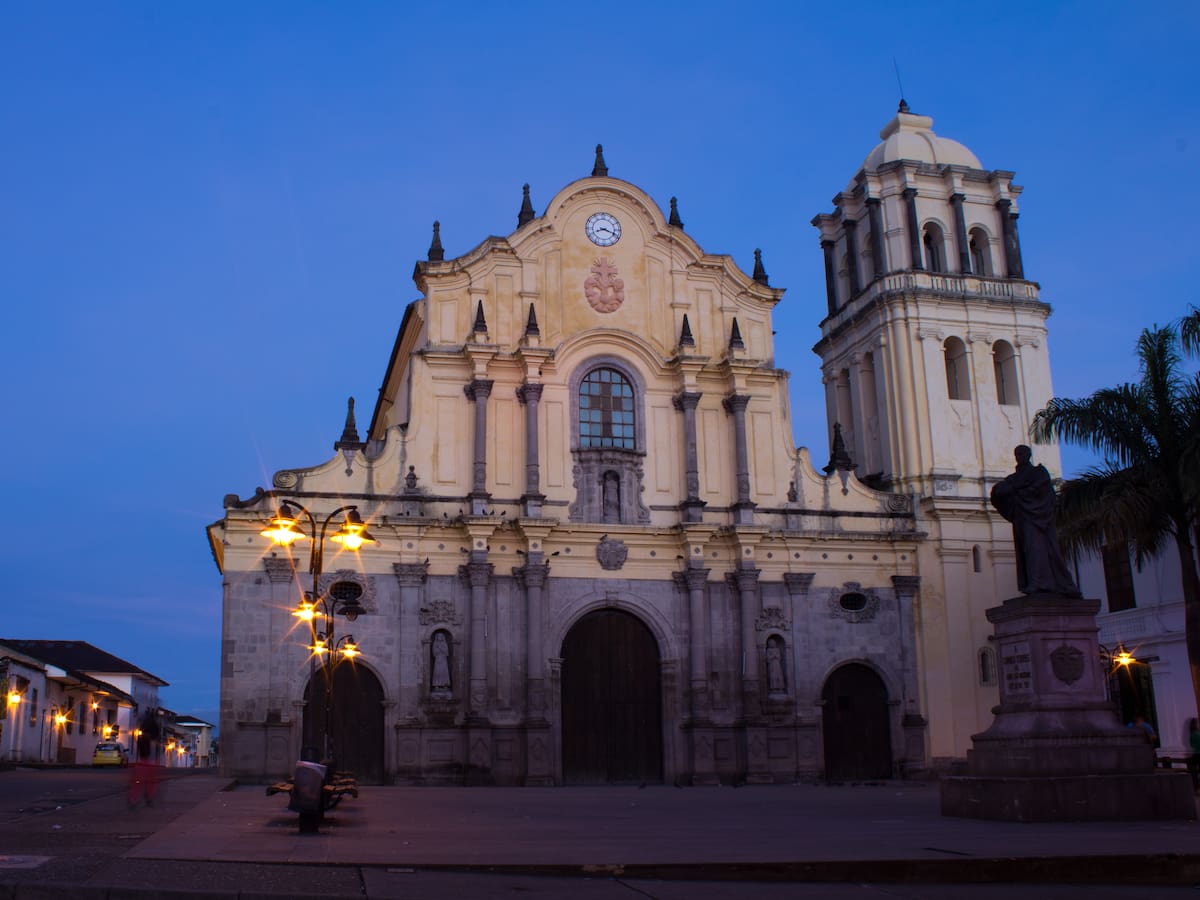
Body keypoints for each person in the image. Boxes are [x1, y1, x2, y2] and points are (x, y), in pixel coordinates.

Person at [989, 445, 1081, 597]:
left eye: (1023, 453)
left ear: (1029, 455)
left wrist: (1019, 491)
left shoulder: (1038, 473)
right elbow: (998, 492)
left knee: (1039, 549)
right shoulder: (1014, 478)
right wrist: (1017, 489)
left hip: (1039, 519)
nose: (1020, 456)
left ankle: (1044, 583)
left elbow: (1045, 493)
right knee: (1028, 551)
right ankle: (1035, 582)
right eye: (1017, 453)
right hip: (1023, 519)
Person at [1188, 718, 1200, 792]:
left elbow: (1191, 745)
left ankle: (1196, 788)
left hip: (1195, 754)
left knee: (1194, 772)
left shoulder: (1192, 734)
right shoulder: (1197, 734)